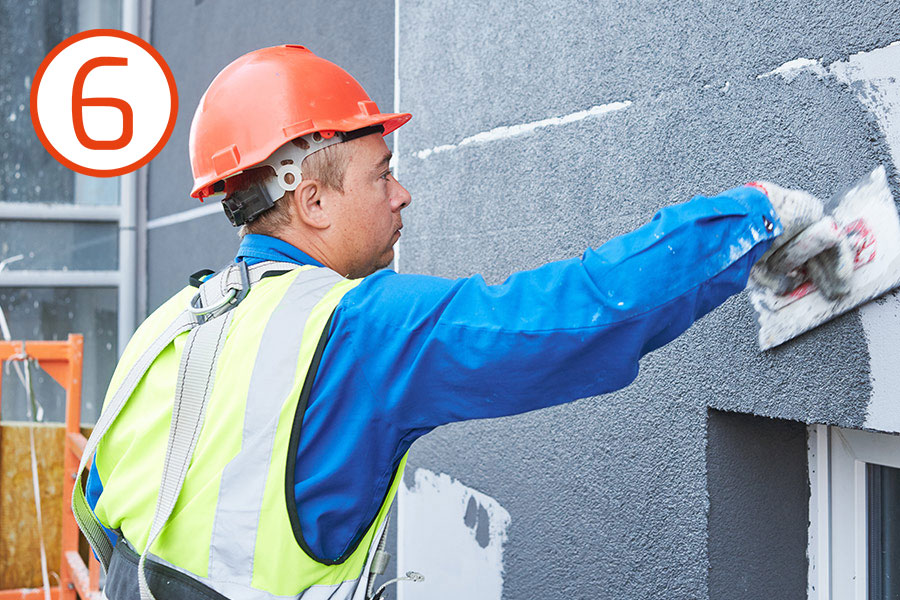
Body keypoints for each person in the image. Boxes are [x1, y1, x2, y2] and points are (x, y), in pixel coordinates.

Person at [74, 45, 849, 600]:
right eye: (380, 174)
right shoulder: (353, 331)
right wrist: (750, 220)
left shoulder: (165, 328)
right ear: (310, 202)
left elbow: (98, 511)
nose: (402, 194)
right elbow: (571, 317)